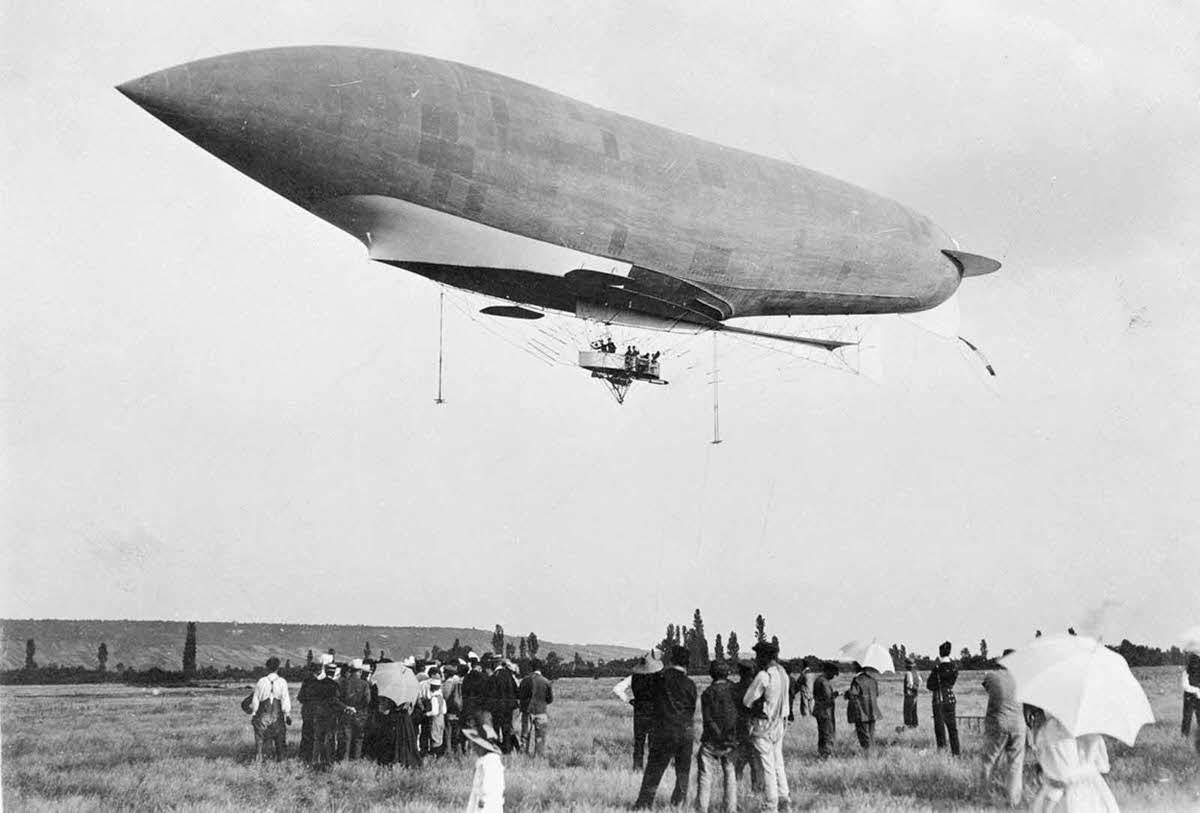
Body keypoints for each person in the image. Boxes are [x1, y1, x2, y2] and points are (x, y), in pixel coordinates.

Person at [633, 644, 697, 810]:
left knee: (653, 771)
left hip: (664, 731)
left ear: (671, 660)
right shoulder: (691, 685)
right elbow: (691, 710)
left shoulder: (659, 678)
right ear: (687, 663)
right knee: (683, 773)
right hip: (685, 732)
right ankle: (678, 805)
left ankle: (643, 805)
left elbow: (648, 698)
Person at [1029, 711, 1118, 812]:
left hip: (1060, 782)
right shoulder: (1092, 735)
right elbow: (1103, 767)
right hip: (1088, 784)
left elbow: (1044, 759)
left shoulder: (1045, 731)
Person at [742, 639, 791, 811]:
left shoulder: (764, 676)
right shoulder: (783, 674)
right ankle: (784, 799)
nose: (756, 659)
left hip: (764, 726)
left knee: (767, 767)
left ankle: (771, 805)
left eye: (758, 656)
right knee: (778, 763)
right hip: (779, 725)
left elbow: (747, 701)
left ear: (764, 657)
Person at [978, 652, 1025, 807]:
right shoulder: (1021, 678)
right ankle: (1013, 800)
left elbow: (987, 687)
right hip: (1019, 724)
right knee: (1015, 764)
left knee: (989, 761)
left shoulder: (992, 676)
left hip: (997, 723)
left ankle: (985, 799)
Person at [696, 661, 739, 813]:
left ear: (711, 674)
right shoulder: (735, 690)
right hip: (730, 739)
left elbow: (708, 719)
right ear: (727, 673)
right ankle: (730, 809)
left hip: (711, 740)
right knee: (730, 775)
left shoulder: (707, 693)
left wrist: (717, 735)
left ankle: (702, 809)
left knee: (705, 777)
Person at [613, 651, 662, 769]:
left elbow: (617, 689)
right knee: (653, 743)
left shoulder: (633, 677)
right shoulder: (659, 677)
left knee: (639, 743)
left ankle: (637, 768)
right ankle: (652, 769)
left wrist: (629, 700)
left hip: (639, 713)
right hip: (654, 713)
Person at [306, 655, 354, 769]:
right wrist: (346, 707)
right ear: (334, 672)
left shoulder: (318, 683)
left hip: (318, 714)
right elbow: (335, 700)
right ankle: (329, 762)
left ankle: (315, 761)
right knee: (330, 739)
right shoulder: (334, 685)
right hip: (329, 715)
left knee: (318, 739)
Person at [249, 656, 291, 762]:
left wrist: (254, 714)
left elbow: (256, 700)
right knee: (280, 743)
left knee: (260, 743)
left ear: (267, 668)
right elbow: (285, 700)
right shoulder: (282, 682)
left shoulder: (261, 681)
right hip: (277, 716)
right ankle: (280, 764)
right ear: (278, 668)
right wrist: (288, 715)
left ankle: (259, 762)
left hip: (263, 716)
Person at [732, 661, 763, 792]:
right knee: (756, 764)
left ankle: (736, 789)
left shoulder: (734, 688)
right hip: (755, 728)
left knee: (737, 763)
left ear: (740, 672)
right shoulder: (758, 689)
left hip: (739, 729)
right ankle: (756, 791)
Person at [927, 641, 961, 756]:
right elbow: (953, 681)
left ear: (940, 652)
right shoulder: (954, 667)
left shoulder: (937, 668)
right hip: (950, 698)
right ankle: (956, 753)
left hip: (939, 699)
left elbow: (929, 685)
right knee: (953, 729)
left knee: (940, 729)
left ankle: (942, 753)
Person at [463, 724, 506, 812]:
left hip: (487, 801)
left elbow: (489, 784)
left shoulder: (490, 761)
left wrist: (483, 800)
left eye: (476, 746)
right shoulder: (483, 760)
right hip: (479, 798)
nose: (474, 749)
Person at [517, 657, 553, 757]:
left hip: (527, 710)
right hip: (541, 711)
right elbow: (550, 699)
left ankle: (523, 755)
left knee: (525, 735)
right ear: (540, 668)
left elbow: (519, 695)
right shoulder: (546, 682)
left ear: (531, 667)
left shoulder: (525, 680)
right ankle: (539, 756)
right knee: (540, 736)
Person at [338, 658, 372, 760]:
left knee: (346, 739)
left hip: (346, 714)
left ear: (350, 670)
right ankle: (356, 760)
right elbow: (367, 700)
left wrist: (346, 707)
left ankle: (344, 761)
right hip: (360, 716)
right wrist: (356, 708)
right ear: (360, 671)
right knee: (358, 740)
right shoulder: (364, 684)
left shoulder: (343, 683)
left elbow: (337, 699)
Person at [487, 656, 520, 753]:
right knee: (507, 729)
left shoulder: (494, 676)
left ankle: (496, 749)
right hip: (509, 707)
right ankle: (508, 749)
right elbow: (516, 690)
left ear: (495, 663)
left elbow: (490, 694)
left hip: (497, 708)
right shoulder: (509, 675)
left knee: (496, 729)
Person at [845, 662, 880, 752]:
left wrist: (846, 693)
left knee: (864, 736)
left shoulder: (857, 680)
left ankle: (868, 756)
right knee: (871, 735)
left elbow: (852, 694)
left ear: (857, 667)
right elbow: (876, 694)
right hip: (872, 712)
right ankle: (873, 754)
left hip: (861, 712)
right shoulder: (873, 680)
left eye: (854, 666)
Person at [296, 659, 324, 762]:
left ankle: (303, 757)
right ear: (320, 670)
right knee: (317, 736)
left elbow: (300, 698)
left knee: (306, 735)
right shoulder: (323, 682)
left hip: (307, 712)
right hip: (319, 712)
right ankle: (315, 758)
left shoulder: (306, 681)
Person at [812, 661, 839, 758]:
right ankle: (827, 754)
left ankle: (822, 753)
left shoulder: (818, 680)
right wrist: (835, 696)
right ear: (828, 671)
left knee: (822, 733)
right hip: (825, 712)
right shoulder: (824, 682)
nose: (833, 677)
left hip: (819, 711)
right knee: (828, 733)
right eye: (833, 674)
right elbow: (828, 699)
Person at [443, 660, 467, 754]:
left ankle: (449, 752)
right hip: (458, 709)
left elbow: (446, 696)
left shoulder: (449, 682)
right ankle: (459, 752)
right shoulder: (459, 681)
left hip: (450, 709)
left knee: (448, 732)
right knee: (457, 733)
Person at [462, 652, 490, 729]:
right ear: (479, 666)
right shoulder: (484, 677)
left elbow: (464, 692)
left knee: (471, 732)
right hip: (481, 707)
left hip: (469, 707)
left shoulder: (466, 678)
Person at [1182, 652, 1200, 738]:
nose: (1195, 666)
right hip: (1189, 698)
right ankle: (1184, 737)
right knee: (1187, 718)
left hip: (1199, 698)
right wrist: (1196, 690)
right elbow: (1185, 686)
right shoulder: (1186, 672)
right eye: (1193, 663)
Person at [902, 658, 920, 728]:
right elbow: (920, 681)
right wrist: (916, 687)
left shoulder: (908, 673)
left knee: (907, 711)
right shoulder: (916, 673)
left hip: (909, 694)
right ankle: (915, 724)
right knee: (914, 710)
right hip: (915, 695)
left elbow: (910, 683)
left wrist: (909, 688)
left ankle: (908, 725)